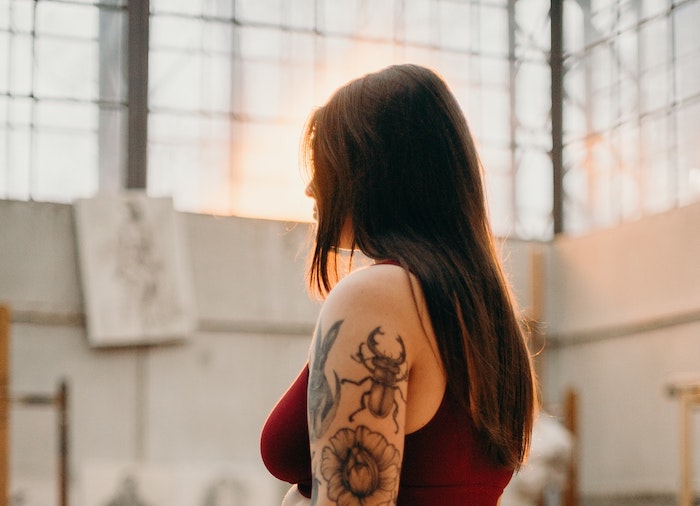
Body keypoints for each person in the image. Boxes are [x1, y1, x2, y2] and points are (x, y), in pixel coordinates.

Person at [261, 64, 537, 506]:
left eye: (327, 163)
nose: (312, 188)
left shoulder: (378, 297)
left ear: (373, 172)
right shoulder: (487, 316)